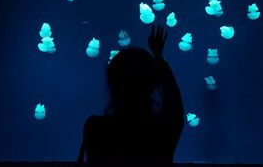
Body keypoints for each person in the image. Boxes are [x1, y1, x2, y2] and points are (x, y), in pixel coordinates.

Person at [77, 25, 184, 166]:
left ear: (112, 83)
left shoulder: (94, 127)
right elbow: (174, 107)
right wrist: (158, 57)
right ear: (153, 84)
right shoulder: (162, 130)